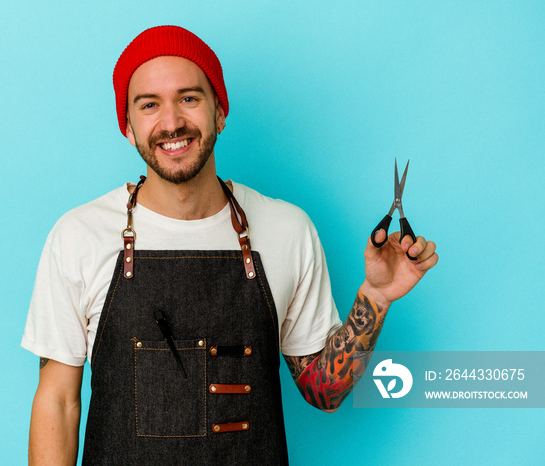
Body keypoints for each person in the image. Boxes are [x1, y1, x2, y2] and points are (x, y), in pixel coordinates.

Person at [22, 25, 438, 465]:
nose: (171, 122)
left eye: (189, 98)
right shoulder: (78, 235)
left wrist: (376, 296)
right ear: (128, 127)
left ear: (219, 111)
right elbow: (58, 402)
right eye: (149, 105)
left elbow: (324, 390)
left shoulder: (286, 229)